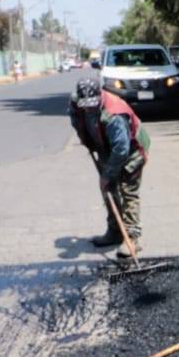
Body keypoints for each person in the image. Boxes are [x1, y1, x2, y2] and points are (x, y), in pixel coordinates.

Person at [68, 77, 150, 258]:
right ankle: (114, 232)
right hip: (106, 146)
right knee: (108, 190)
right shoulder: (77, 101)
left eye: (92, 105)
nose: (89, 108)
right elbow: (74, 114)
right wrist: (87, 138)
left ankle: (132, 238)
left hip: (132, 150)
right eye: (85, 105)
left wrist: (107, 174)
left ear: (100, 96)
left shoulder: (114, 114)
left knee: (128, 191)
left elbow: (121, 150)